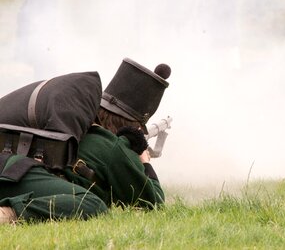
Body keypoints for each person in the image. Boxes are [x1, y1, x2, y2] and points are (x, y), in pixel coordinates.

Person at [0, 58, 171, 223]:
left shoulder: (76, 125)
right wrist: (145, 161)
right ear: (136, 129)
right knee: (93, 205)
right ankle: (7, 214)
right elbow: (153, 202)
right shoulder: (114, 148)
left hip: (11, 172)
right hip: (14, 176)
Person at [11, 0, 60, 79]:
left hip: (47, 16)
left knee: (45, 47)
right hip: (31, 16)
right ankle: (35, 68)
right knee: (31, 46)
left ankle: (49, 71)